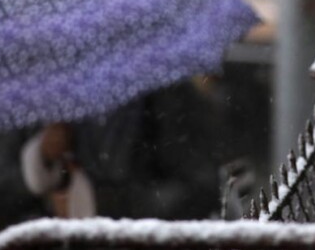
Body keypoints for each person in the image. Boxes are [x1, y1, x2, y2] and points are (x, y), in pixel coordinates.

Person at [19, 78, 224, 220]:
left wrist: (104, 204)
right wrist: (46, 155)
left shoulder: (169, 92)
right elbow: (8, 184)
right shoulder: (66, 92)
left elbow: (198, 188)